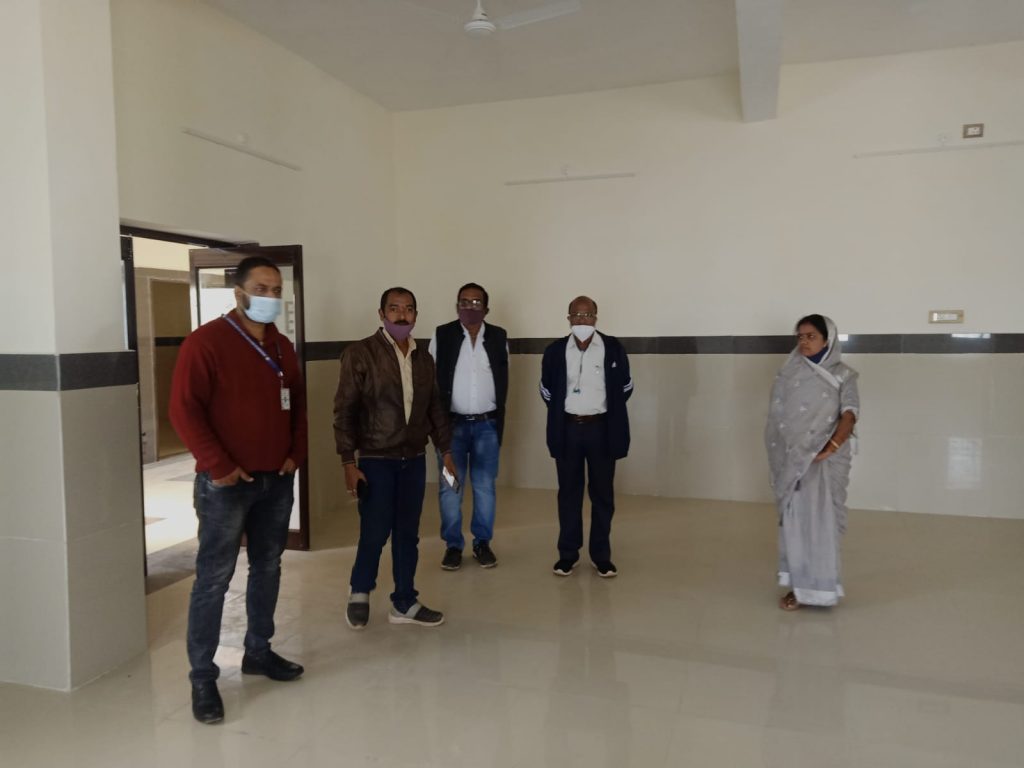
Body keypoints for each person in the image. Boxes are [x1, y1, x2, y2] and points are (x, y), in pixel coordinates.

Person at [169, 255, 308, 725]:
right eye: (261, 289)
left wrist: (296, 453)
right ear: (239, 293)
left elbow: (297, 404)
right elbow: (184, 410)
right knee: (214, 577)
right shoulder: (206, 342)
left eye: (276, 290)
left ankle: (258, 651)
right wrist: (220, 465)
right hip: (226, 485)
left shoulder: (282, 346)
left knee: (268, 566)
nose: (270, 297)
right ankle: (203, 676)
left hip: (276, 480)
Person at [334, 287, 456, 629]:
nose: (402, 315)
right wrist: (348, 462)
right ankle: (360, 591)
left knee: (407, 534)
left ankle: (404, 602)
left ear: (416, 315)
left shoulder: (424, 358)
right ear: (381, 314)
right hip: (376, 459)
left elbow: (435, 409)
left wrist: (446, 451)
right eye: (394, 308)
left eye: (408, 309)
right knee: (374, 531)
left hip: (413, 458)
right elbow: (344, 411)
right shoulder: (360, 354)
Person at [764, 314, 860, 610]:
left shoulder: (844, 375)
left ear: (827, 340)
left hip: (827, 461)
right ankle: (799, 587)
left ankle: (822, 587)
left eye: (811, 336)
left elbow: (850, 414)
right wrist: (798, 452)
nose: (804, 342)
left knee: (823, 524)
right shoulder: (788, 373)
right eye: (800, 336)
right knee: (796, 523)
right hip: (794, 461)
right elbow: (779, 419)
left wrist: (830, 448)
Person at [539, 296, 633, 578]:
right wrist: (568, 412)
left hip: (601, 429)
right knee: (569, 493)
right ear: (568, 318)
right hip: (567, 429)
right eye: (577, 316)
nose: (582, 320)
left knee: (602, 494)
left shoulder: (612, 348)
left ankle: (601, 555)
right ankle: (568, 554)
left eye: (588, 315)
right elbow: (546, 391)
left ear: (596, 318)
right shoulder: (555, 351)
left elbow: (626, 387)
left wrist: (600, 411)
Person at [429, 282, 509, 570]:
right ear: (456, 306)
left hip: (487, 427)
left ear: (486, 308)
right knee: (450, 487)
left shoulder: (498, 337)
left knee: (485, 487)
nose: (470, 307)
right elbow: (430, 382)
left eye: (476, 302)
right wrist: (436, 428)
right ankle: (453, 545)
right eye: (464, 301)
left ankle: (481, 543)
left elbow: (503, 380)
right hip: (451, 429)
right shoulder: (442, 335)